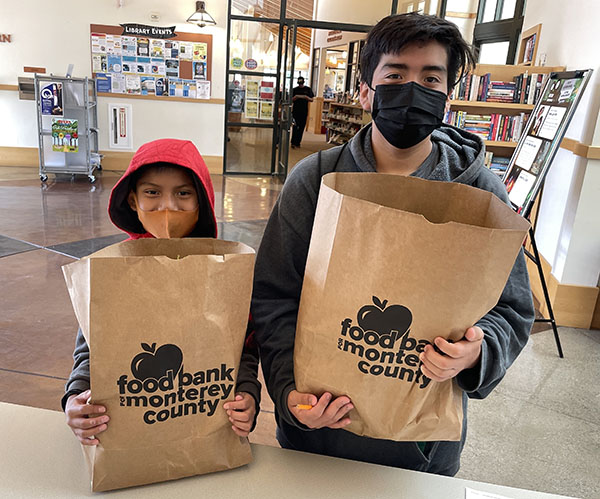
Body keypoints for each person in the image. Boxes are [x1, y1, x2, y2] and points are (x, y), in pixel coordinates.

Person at [251, 13, 534, 476]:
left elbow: (513, 307)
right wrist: (287, 392)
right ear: (365, 91)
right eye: (396, 75)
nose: (413, 89)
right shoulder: (316, 180)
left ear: (447, 96)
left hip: (420, 447)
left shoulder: (479, 191)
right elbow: (274, 294)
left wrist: (478, 352)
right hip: (317, 433)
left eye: (430, 78)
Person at [62, 138, 261, 444]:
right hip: (132, 435)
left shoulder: (223, 270)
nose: (167, 207)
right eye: (152, 193)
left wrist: (247, 394)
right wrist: (76, 397)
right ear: (132, 201)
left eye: (183, 193)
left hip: (204, 433)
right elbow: (91, 347)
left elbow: (243, 347)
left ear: (202, 202)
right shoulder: (114, 272)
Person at [291, 76, 314, 148]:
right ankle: (293, 142)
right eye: (299, 83)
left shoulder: (308, 89)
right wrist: (296, 97)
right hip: (295, 111)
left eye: (301, 83)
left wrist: (306, 97)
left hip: (304, 111)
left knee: (301, 127)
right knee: (295, 126)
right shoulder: (294, 90)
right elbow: (290, 99)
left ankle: (298, 142)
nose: (300, 85)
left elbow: (312, 99)